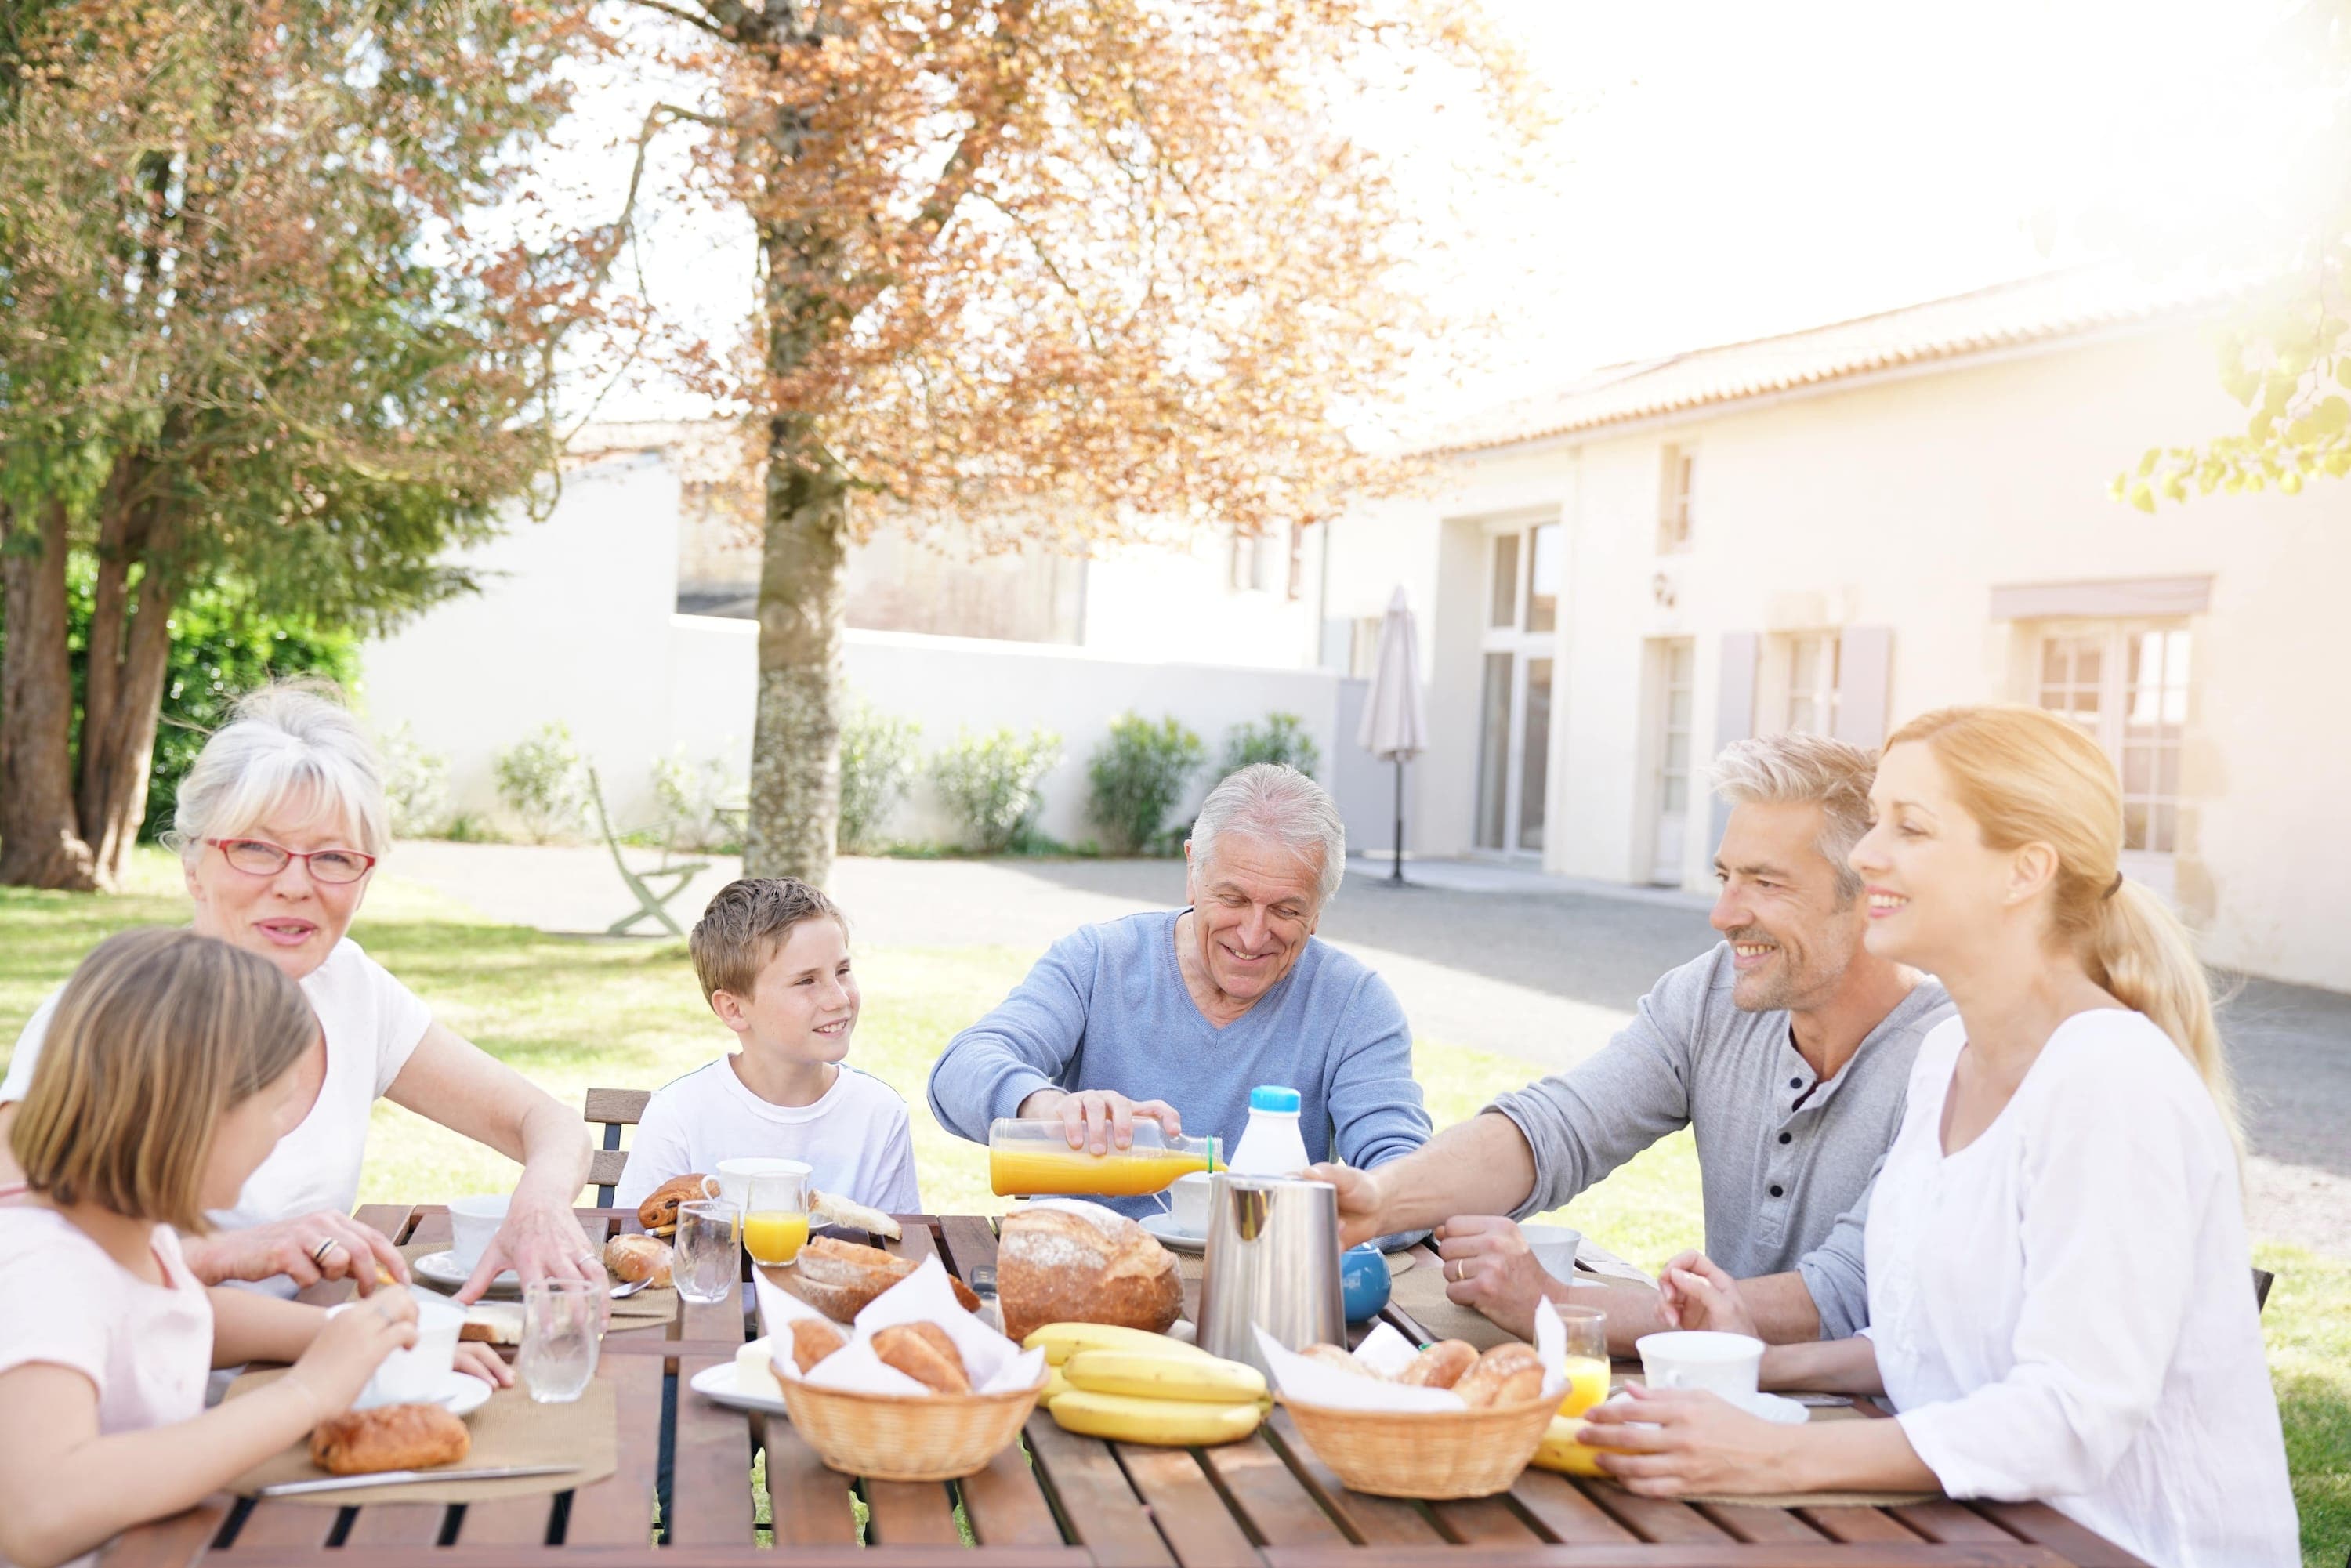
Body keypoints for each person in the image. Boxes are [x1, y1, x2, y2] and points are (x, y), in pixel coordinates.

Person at [1578, 704, 2296, 1568]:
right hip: (1970, 1533)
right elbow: (1932, 1344)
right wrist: (1746, 1363)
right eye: (1876, 820)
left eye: (1910, 827)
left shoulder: (2111, 1083)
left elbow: (2072, 1416)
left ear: (2025, 871)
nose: (1867, 854)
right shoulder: (1949, 1052)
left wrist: (1773, 1453)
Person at [1311, 734, 1951, 1349]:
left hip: (1861, 1430)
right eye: (1725, 876)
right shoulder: (1711, 994)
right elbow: (1558, 1127)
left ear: (1870, 893)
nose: (1724, 914)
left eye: (1765, 882)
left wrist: (1562, 1308)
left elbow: (1842, 1294)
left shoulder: (1949, 1056)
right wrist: (1381, 1200)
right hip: (1714, 1397)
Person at [0, 683, 596, 1304]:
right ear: (192, 863)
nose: (294, 884)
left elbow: (549, 1123)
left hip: (312, 1368)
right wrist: (226, 1254)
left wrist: (539, 1206)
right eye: (257, 848)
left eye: (333, 857)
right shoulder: (117, 1014)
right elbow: (21, 1246)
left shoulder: (349, 988)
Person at [0, 929, 507, 1568]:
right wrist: (309, 1393)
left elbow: (178, 1316)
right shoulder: (43, 1265)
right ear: (196, 1114)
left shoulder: (122, 1223)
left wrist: (347, 1335)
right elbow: (36, 1515)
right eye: (275, 1107)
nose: (282, 1131)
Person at [926, 763, 1430, 1219]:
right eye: (1232, 898)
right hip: (1084, 1270)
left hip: (1258, 1270)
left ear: (1319, 909)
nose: (1253, 936)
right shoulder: (1099, 960)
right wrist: (1046, 1107)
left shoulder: (1353, 1005)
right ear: (1193, 871)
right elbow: (961, 1069)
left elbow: (1406, 1175)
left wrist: (1341, 1213)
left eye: (1286, 911)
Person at [613, 878, 919, 1214]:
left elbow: (897, 1247)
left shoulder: (880, 1113)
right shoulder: (679, 1115)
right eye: (806, 981)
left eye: (843, 971)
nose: (839, 998)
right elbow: (637, 1239)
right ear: (734, 1009)